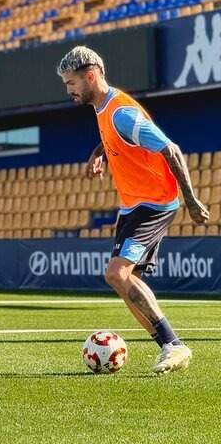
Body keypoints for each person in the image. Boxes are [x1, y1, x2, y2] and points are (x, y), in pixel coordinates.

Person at [57, 46, 209, 375]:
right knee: (126, 281)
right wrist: (99, 152)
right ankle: (170, 346)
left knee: (117, 274)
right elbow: (115, 138)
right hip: (133, 205)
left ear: (91, 76)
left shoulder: (121, 112)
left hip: (153, 203)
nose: (68, 89)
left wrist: (192, 200)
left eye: (71, 83)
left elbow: (171, 149)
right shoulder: (103, 108)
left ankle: (174, 345)